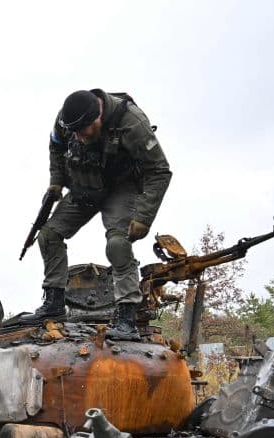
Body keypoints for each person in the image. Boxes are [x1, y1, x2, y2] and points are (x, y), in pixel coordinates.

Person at [21, 89, 172, 340]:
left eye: (85, 130)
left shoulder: (131, 122)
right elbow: (56, 146)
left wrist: (144, 217)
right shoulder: (66, 121)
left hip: (121, 188)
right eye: (75, 131)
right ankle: (54, 304)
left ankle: (126, 319)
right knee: (49, 235)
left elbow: (160, 171)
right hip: (85, 186)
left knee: (117, 244)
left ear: (98, 116)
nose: (79, 136)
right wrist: (56, 181)